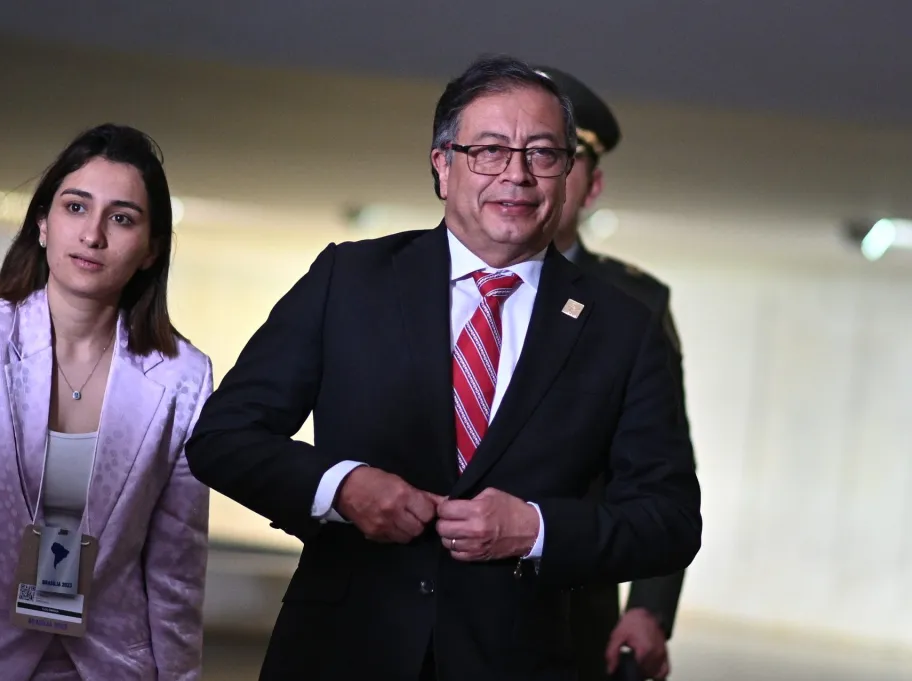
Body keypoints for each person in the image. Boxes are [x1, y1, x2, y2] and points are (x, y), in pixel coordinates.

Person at [186, 55, 700, 681]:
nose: (516, 174)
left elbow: (669, 520)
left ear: (568, 176)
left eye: (542, 154)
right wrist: (341, 487)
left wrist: (534, 528)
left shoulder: (624, 327)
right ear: (442, 166)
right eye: (488, 150)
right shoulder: (349, 279)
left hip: (519, 660)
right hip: (342, 650)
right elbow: (223, 438)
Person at [0, 123, 213, 680]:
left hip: (101, 662)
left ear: (151, 249)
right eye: (75, 207)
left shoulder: (184, 376)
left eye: (122, 218)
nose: (92, 235)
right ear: (43, 224)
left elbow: (176, 562)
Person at [532, 65, 695, 681]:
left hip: (570, 600)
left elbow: (660, 469)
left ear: (591, 186)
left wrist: (650, 609)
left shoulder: (634, 305)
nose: (534, 174)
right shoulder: (430, 279)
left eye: (559, 158)